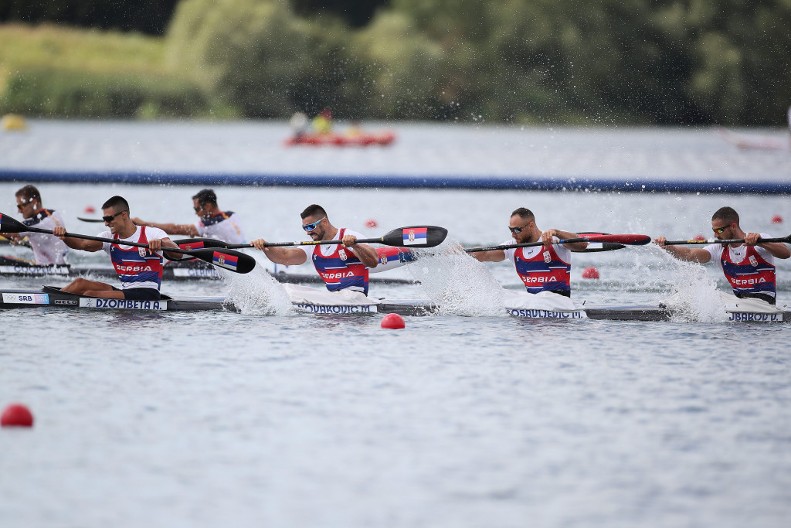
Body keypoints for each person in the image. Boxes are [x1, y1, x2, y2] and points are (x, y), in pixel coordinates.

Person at [655, 206, 790, 305]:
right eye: (713, 231)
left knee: (709, 295)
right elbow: (690, 254)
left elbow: (786, 253)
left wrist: (760, 242)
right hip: (740, 304)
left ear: (733, 226)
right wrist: (669, 247)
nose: (715, 235)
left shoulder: (760, 239)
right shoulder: (719, 248)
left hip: (764, 305)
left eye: (719, 230)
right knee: (691, 292)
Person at [53, 195, 180, 300]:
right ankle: (51, 300)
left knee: (89, 295)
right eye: (104, 219)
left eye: (109, 218)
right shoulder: (108, 237)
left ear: (124, 215)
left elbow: (177, 253)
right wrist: (64, 236)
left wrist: (161, 244)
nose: (106, 223)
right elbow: (82, 244)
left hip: (148, 294)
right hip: (127, 291)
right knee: (79, 284)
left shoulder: (151, 233)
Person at [251, 204, 379, 295]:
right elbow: (285, 256)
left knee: (292, 293)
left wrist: (354, 245)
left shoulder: (350, 236)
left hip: (355, 298)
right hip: (334, 299)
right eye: (305, 228)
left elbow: (373, 262)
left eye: (311, 226)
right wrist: (265, 247)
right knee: (285, 288)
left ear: (324, 222)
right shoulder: (313, 245)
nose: (308, 232)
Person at [471, 207, 588, 297]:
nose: (513, 234)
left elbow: (583, 245)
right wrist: (458, 252)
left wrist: (557, 232)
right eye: (510, 229)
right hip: (533, 307)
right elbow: (485, 254)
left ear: (531, 225)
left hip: (559, 305)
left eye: (517, 230)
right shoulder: (512, 247)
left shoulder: (554, 238)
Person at [132, 189, 246, 244]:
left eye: (197, 209)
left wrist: (144, 224)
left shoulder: (209, 226)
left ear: (208, 206)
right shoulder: (232, 215)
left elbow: (175, 229)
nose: (196, 213)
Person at [6, 185, 70, 265]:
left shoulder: (33, 224)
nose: (19, 211)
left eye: (21, 206)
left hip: (48, 272)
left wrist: (14, 236)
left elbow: (9, 233)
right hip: (64, 266)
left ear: (34, 202)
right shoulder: (54, 213)